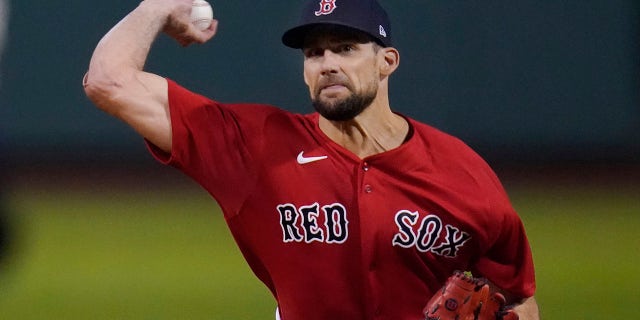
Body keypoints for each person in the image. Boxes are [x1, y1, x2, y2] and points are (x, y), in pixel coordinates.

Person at [83, 0, 539, 319]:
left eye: (345, 48)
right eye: (314, 52)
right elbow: (108, 81)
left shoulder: (461, 170)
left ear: (388, 62)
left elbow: (517, 297)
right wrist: (156, 7)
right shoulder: (256, 147)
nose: (327, 63)